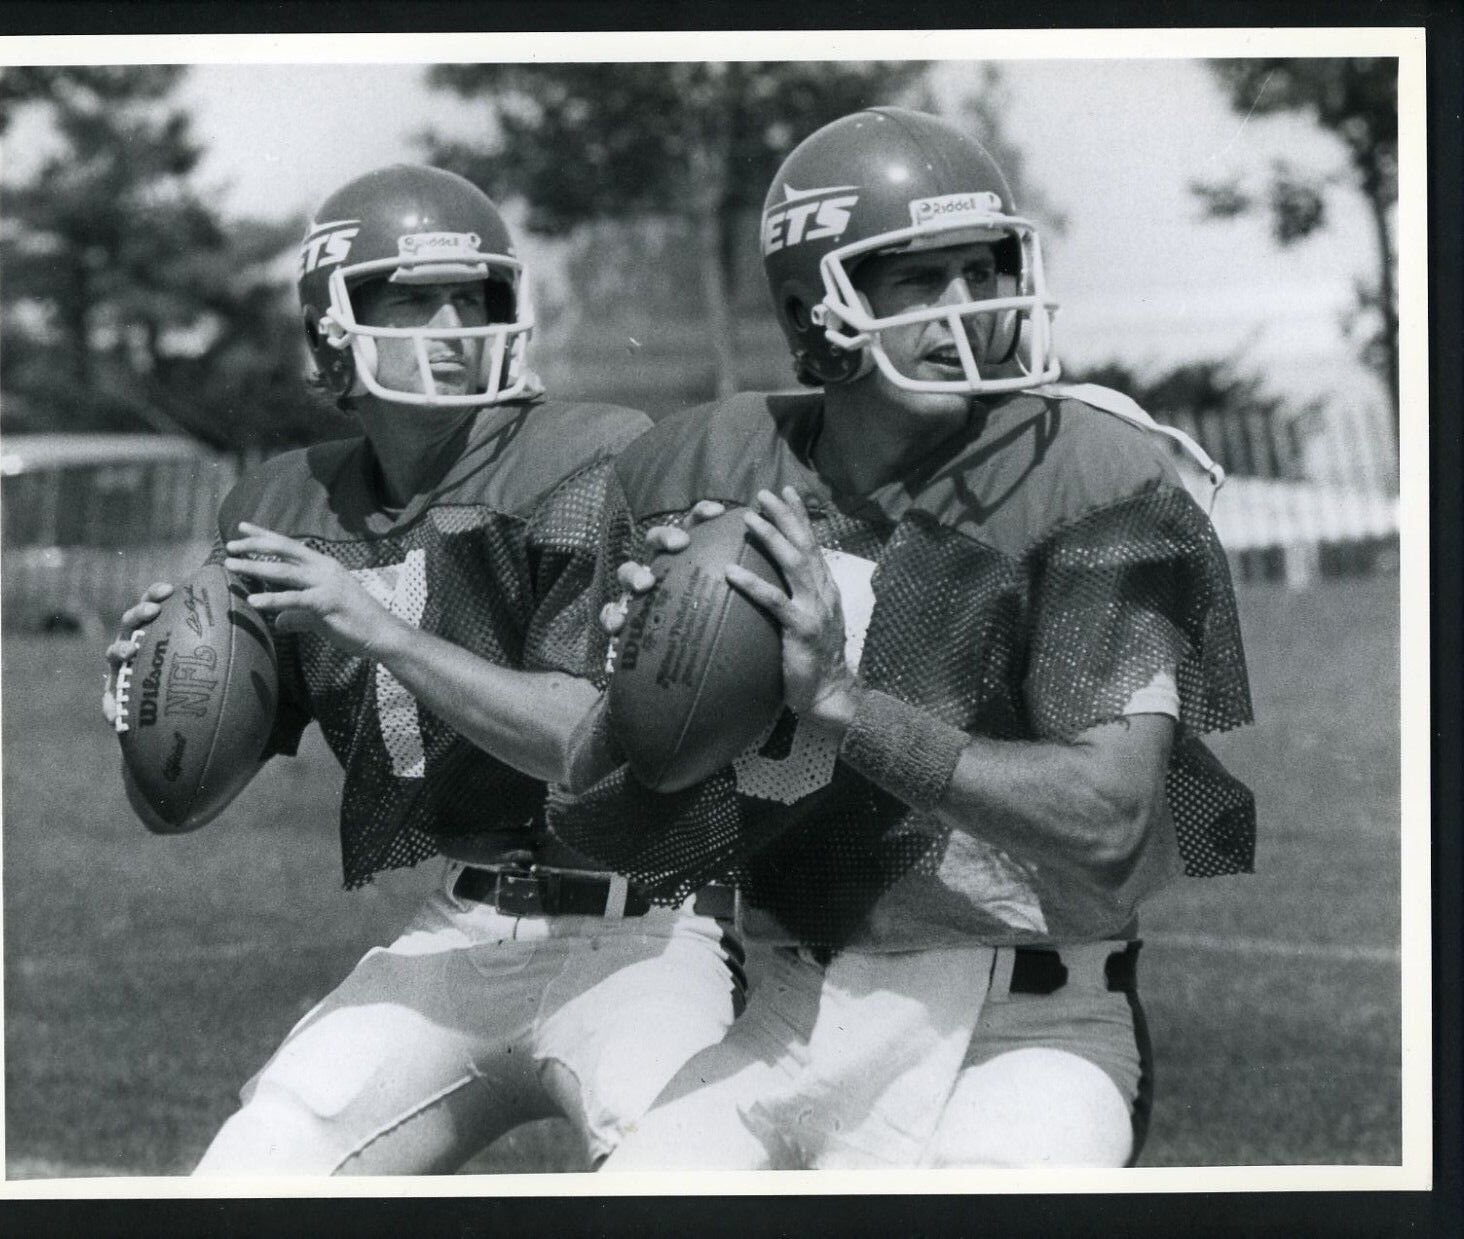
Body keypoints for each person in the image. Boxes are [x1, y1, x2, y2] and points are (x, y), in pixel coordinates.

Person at [546, 108, 1256, 1169]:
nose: (970, 306)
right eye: (921, 278)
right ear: (809, 310)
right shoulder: (705, 468)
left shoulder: (1083, 471)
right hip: (789, 1019)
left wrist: (843, 705)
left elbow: (1109, 817)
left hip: (1021, 1031)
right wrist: (648, 684)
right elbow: (588, 824)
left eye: (985, 269)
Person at [101, 164, 743, 1175]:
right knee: (254, 1167)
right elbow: (170, 808)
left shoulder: (587, 458)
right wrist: (158, 689)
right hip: (464, 925)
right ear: (332, 330)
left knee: (682, 1171)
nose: (454, 323)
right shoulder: (280, 499)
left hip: (644, 936)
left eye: (475, 296)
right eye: (414, 298)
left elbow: (580, 740)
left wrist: (374, 627)